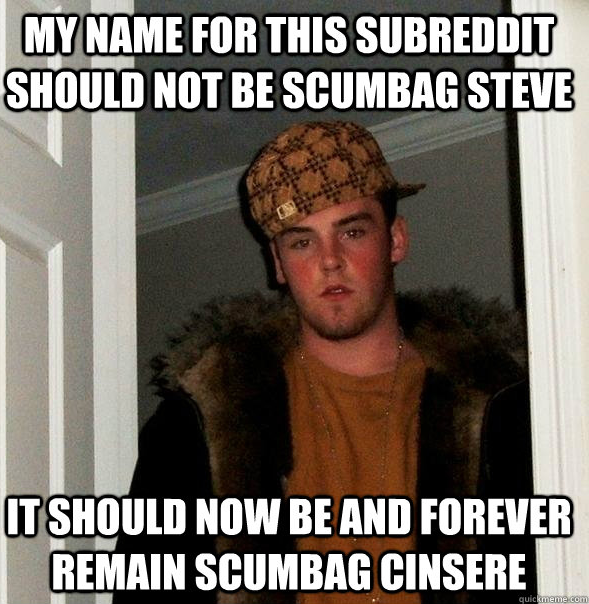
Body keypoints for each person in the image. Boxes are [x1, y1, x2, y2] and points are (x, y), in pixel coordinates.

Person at [114, 121, 533, 604]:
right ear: (278, 263)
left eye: (351, 231)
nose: (329, 260)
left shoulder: (505, 409)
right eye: (302, 241)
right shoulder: (198, 422)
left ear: (395, 240)